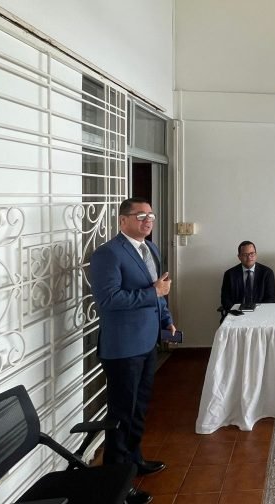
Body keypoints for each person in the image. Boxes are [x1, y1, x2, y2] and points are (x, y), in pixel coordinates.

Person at [90, 197, 175, 504]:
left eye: (150, 215)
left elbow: (160, 290)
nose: (148, 220)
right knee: (121, 415)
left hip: (147, 342)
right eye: (141, 216)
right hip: (123, 347)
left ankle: (135, 460)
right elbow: (109, 300)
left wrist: (167, 320)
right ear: (122, 220)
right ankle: (116, 483)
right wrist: (152, 293)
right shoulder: (107, 254)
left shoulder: (150, 249)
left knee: (138, 411)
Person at [220, 241, 275, 313]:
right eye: (245, 254)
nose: (249, 257)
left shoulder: (267, 273)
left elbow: (270, 298)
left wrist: (258, 311)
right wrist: (234, 311)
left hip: (260, 313)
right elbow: (225, 299)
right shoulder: (230, 274)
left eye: (252, 253)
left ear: (256, 255)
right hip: (237, 312)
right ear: (239, 257)